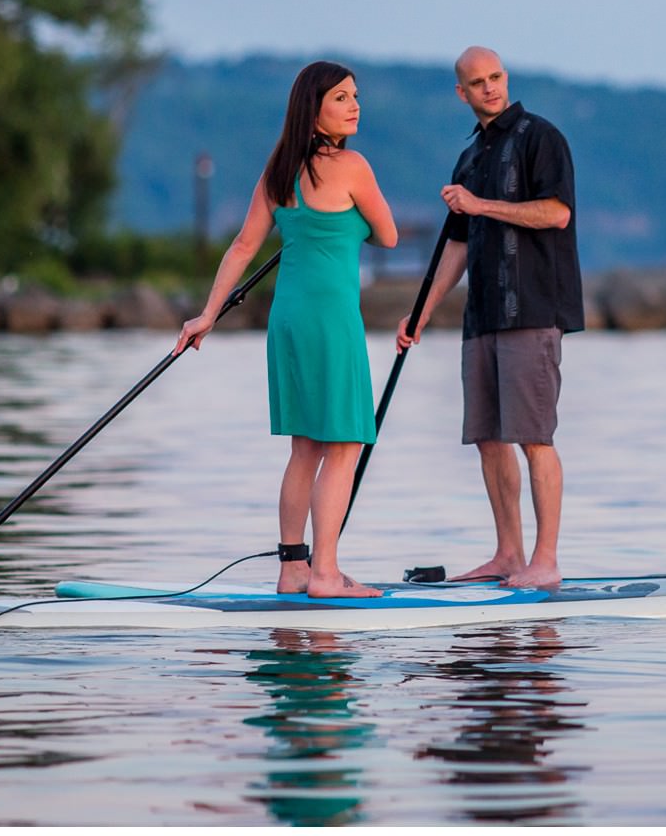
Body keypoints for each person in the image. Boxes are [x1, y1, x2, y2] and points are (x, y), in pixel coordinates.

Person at [175, 60, 398, 598]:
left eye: (355, 96)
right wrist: (352, 225)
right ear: (314, 111)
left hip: (288, 321)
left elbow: (243, 247)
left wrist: (207, 314)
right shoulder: (354, 168)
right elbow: (388, 235)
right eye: (342, 97)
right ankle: (326, 573)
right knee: (343, 446)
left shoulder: (278, 171)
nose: (354, 105)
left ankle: (293, 568)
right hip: (332, 322)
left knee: (304, 449)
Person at [396, 46, 584, 588]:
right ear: (462, 92)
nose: (490, 88)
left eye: (496, 77)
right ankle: (508, 555)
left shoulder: (540, 137)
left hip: (532, 309)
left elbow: (556, 212)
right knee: (488, 437)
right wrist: (421, 314)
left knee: (534, 438)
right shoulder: (470, 158)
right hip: (482, 317)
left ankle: (544, 562)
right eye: (477, 82)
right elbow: (456, 247)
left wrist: (481, 206)